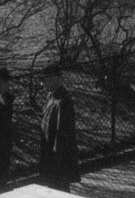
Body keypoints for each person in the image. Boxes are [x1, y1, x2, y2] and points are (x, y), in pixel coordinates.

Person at [37, 63, 79, 191]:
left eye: (44, 80)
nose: (42, 84)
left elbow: (62, 134)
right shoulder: (52, 97)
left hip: (58, 161)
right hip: (52, 158)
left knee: (59, 190)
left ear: (53, 79)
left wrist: (57, 163)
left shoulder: (62, 101)